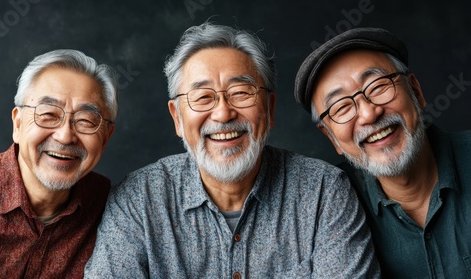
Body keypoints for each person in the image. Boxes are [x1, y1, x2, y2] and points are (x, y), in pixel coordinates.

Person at [84, 22, 379, 278]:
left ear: (270, 109)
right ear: (177, 117)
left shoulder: (324, 193)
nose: (223, 114)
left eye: (241, 93)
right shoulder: (137, 200)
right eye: (203, 97)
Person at [294, 27, 471, 278]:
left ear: (416, 92)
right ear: (331, 136)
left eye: (377, 86)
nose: (368, 113)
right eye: (341, 107)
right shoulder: (330, 210)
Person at [0, 49, 118, 278]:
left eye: (86, 120)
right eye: (49, 114)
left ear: (106, 137)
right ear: (17, 124)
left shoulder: (112, 208)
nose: (65, 136)